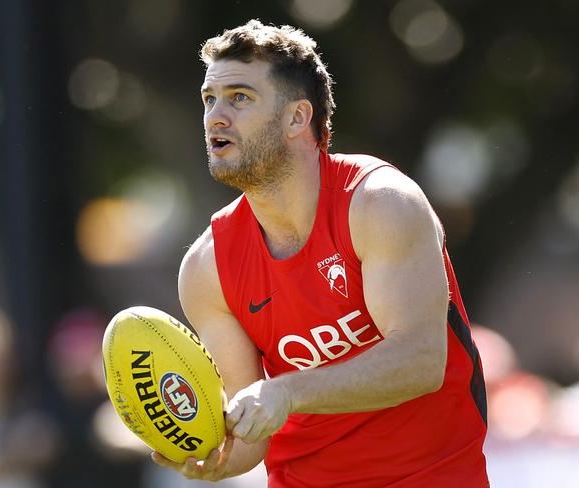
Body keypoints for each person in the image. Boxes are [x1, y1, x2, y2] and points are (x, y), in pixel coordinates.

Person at [152, 19, 488, 487]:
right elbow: (252, 437)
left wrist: (287, 392)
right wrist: (214, 453)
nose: (215, 116)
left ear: (297, 117)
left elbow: (420, 361)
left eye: (240, 98)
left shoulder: (380, 204)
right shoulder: (206, 269)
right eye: (210, 99)